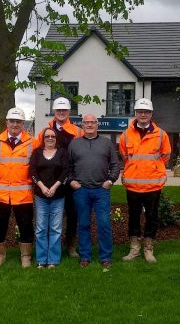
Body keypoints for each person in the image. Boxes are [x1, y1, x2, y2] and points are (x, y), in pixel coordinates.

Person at [0, 107, 39, 269]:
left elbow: (37, 165)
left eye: (18, 122)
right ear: (7, 122)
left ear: (23, 124)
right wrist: (1, 175)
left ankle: (26, 256)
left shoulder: (32, 142)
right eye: (12, 121)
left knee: (26, 226)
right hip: (1, 194)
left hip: (23, 194)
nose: (15, 124)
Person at [119, 98, 171, 263]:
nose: (143, 115)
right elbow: (125, 157)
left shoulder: (161, 134)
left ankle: (148, 249)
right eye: (140, 112)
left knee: (152, 218)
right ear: (135, 113)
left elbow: (165, 156)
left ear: (151, 114)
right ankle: (134, 249)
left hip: (153, 184)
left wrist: (153, 169)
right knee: (133, 217)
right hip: (133, 185)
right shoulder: (126, 135)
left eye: (146, 112)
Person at [68, 114, 120, 268]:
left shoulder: (107, 143)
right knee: (83, 224)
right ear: (82, 125)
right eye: (86, 122)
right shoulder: (74, 144)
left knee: (104, 224)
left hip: (101, 191)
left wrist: (110, 181)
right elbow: (68, 166)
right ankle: (85, 256)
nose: (89, 125)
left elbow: (115, 165)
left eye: (92, 122)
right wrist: (72, 181)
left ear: (98, 125)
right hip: (81, 190)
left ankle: (106, 257)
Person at [38, 97, 84, 258]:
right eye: (58, 110)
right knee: (49, 215)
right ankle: (50, 246)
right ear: (54, 112)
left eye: (64, 110)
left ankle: (71, 246)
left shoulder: (78, 132)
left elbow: (83, 155)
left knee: (72, 214)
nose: (61, 113)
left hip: (71, 179)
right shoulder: (45, 132)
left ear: (69, 112)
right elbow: (38, 155)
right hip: (50, 180)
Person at [29, 127, 69, 268]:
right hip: (41, 196)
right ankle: (41, 259)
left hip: (58, 196)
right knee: (40, 228)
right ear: (43, 138)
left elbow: (66, 171)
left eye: (53, 136)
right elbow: (32, 171)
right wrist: (43, 187)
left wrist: (54, 187)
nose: (50, 138)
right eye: (47, 136)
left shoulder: (62, 153)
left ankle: (53, 260)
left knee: (55, 228)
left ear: (56, 138)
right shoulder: (37, 153)